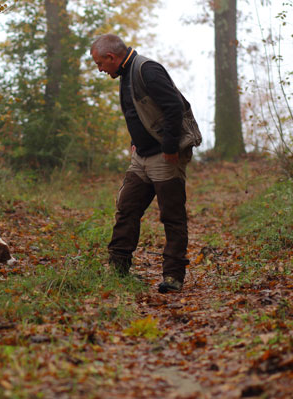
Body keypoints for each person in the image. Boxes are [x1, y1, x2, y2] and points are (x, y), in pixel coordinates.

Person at [89, 34, 201, 293]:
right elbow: (138, 111)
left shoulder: (146, 69)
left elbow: (174, 107)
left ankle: (173, 277)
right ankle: (118, 270)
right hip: (141, 157)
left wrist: (171, 148)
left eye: (100, 64)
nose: (100, 69)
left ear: (111, 57)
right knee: (126, 209)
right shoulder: (125, 72)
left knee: (172, 216)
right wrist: (135, 140)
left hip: (164, 156)